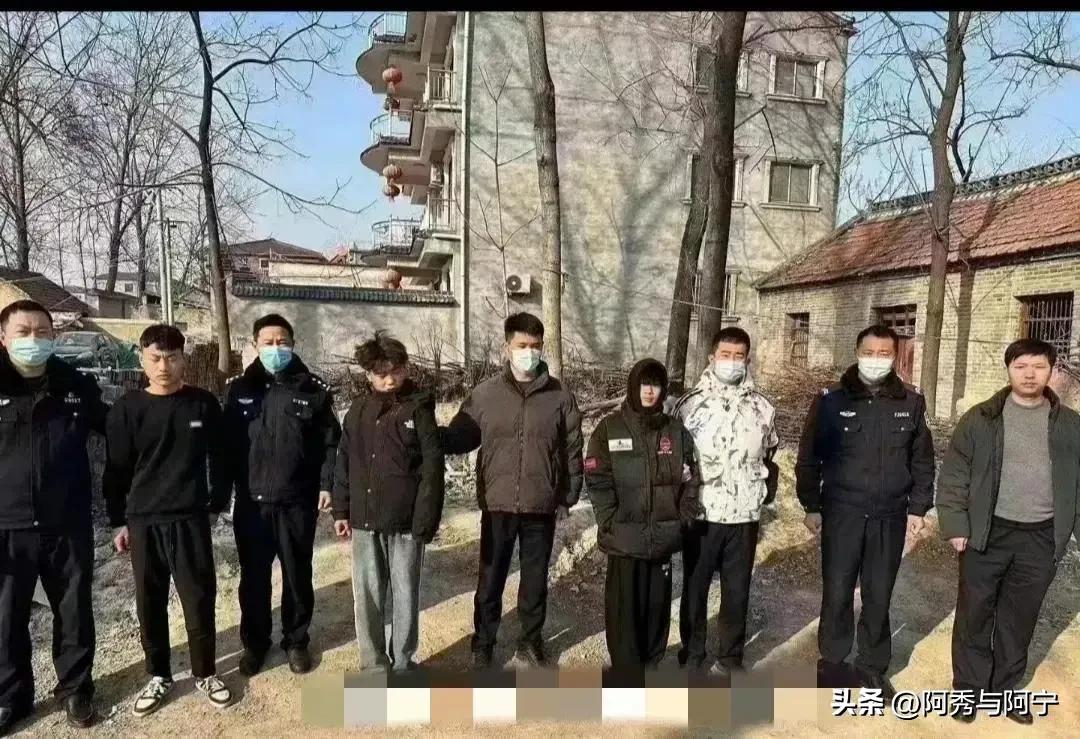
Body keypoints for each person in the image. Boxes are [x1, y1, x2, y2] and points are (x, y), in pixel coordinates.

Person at [937, 338, 1080, 725]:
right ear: (1009, 370)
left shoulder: (1070, 426)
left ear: (1052, 371)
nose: (1030, 374)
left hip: (1041, 539)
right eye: (1021, 366)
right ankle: (968, 691)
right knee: (974, 614)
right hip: (986, 533)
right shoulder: (982, 418)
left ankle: (1004, 690)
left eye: (1038, 366)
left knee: (1019, 619)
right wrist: (955, 524)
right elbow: (954, 474)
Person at [795, 324, 935, 699]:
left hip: (890, 515)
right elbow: (808, 456)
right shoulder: (831, 400)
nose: (876, 360)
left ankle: (872, 667)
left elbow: (922, 460)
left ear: (895, 357)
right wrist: (811, 505)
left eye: (884, 353)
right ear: (857, 354)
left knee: (878, 592)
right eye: (869, 353)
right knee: (838, 590)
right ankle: (833, 663)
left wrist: (919, 507)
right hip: (842, 514)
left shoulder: (911, 401)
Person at [442, 312, 584, 669]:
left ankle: (530, 641)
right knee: (491, 579)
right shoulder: (485, 395)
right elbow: (461, 436)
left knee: (535, 580)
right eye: (522, 345)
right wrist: (429, 433)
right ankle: (483, 643)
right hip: (498, 502)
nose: (529, 352)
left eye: (535, 346)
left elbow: (571, 449)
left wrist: (567, 496)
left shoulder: (560, 396)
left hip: (540, 504)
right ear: (507, 347)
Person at [104, 324, 233, 717]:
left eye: (172, 357)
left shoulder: (202, 404)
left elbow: (221, 457)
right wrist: (118, 521)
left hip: (190, 517)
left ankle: (205, 671)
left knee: (199, 597)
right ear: (143, 358)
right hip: (143, 520)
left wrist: (216, 504)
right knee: (150, 601)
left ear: (183, 359)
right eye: (156, 358)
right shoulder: (127, 409)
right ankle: (159, 674)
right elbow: (116, 470)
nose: (164, 366)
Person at [0, 300, 107, 732]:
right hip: (7, 524)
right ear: (3, 338)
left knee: (74, 609)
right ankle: (10, 697)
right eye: (23, 332)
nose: (34, 340)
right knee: (6, 616)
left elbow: (119, 432)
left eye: (43, 332)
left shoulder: (74, 385)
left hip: (67, 522)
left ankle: (76, 688)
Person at [223, 314, 340, 676]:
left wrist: (326, 485)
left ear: (292, 344)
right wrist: (220, 495)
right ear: (255, 345)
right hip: (252, 505)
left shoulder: (313, 389)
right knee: (253, 579)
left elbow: (330, 444)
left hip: (297, 502)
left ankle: (296, 640)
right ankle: (255, 643)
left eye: (282, 342)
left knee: (297, 574)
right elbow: (226, 447)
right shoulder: (239, 390)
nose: (276, 348)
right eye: (268, 342)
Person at [333, 332, 444, 672]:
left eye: (396, 370)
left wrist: (425, 519)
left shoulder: (418, 409)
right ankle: (373, 665)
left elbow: (432, 467)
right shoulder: (357, 412)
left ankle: (404, 662)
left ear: (406, 368)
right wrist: (341, 509)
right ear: (368, 374)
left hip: (406, 522)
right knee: (367, 595)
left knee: (405, 592)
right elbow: (344, 461)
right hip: (365, 520)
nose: (389, 379)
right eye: (381, 373)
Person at [673, 327, 779, 674]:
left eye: (739, 356)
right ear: (712, 357)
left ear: (747, 360)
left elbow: (770, 451)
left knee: (737, 590)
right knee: (695, 587)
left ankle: (730, 657)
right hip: (702, 512)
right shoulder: (689, 405)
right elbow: (676, 456)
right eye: (725, 355)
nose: (732, 362)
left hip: (744, 514)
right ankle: (693, 653)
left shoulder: (763, 407)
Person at [586, 358, 701, 671]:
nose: (649, 391)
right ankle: (625, 668)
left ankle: (651, 662)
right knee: (623, 610)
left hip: (662, 539)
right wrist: (608, 521)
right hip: (624, 540)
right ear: (633, 386)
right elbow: (596, 478)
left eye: (656, 384)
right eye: (644, 384)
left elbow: (691, 479)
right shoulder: (609, 429)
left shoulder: (675, 432)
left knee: (656, 607)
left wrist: (682, 520)